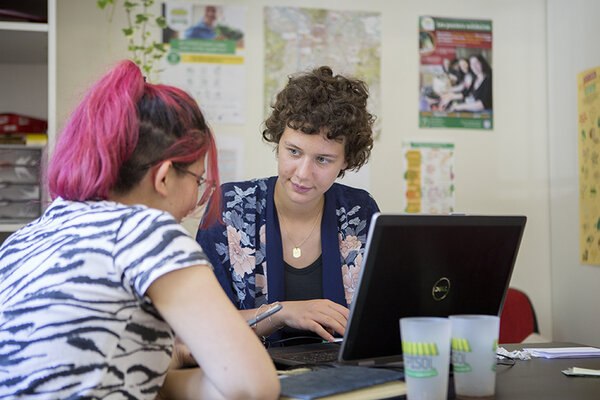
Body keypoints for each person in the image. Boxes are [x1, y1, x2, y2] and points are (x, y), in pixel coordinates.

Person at [0, 60, 279, 399]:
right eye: (198, 179)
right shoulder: (146, 233)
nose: (196, 199)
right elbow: (254, 387)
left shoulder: (24, 240)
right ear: (163, 177)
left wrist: (167, 364)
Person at [196, 66, 380, 346]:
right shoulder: (229, 208)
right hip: (252, 377)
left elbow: (382, 313)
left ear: (346, 160)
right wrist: (280, 314)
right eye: (293, 152)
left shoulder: (360, 211)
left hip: (342, 377)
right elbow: (202, 323)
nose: (303, 173)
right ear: (278, 140)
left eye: (323, 160)